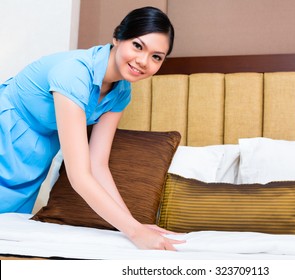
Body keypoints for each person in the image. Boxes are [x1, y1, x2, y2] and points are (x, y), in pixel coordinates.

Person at [0, 6, 184, 251]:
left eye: (156, 57)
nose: (143, 61)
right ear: (117, 37)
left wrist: (134, 224)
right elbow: (79, 176)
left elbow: (98, 164)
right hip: (5, 131)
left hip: (33, 155)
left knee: (7, 232)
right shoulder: (74, 73)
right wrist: (134, 231)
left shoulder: (121, 92)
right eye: (138, 46)